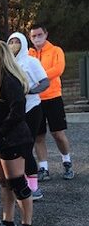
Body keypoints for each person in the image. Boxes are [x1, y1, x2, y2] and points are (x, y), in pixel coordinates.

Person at [0, 41, 38, 226]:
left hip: (11, 141)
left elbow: (17, 112)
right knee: (5, 183)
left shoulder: (10, 81)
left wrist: (1, 134)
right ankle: (8, 224)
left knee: (17, 183)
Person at [7, 32, 50, 200]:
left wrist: (30, 91)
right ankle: (23, 182)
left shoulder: (31, 61)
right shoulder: (8, 63)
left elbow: (45, 82)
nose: (14, 45)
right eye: (11, 42)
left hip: (32, 108)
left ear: (24, 43)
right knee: (17, 147)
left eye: (17, 41)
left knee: (26, 146)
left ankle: (34, 187)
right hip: (15, 110)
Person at [28, 24, 74, 180]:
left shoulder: (56, 51)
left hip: (53, 97)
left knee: (58, 134)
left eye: (39, 34)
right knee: (38, 136)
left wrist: (38, 77)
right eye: (33, 36)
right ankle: (43, 168)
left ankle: (67, 161)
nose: (37, 38)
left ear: (46, 34)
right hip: (35, 99)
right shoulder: (29, 54)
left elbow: (58, 70)